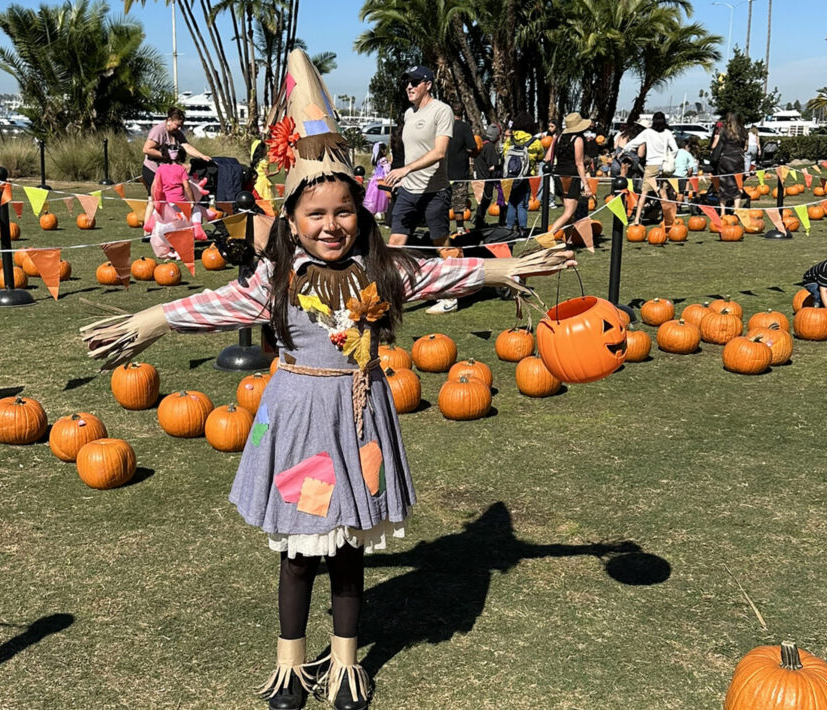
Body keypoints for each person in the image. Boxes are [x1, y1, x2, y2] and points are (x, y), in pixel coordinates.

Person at [80, 50, 575, 710]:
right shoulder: (275, 280)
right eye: (316, 216)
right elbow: (216, 305)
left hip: (359, 418)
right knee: (298, 552)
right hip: (298, 418)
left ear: (361, 215)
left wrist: (505, 267)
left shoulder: (383, 271)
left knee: (347, 551)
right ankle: (290, 664)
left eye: (344, 212)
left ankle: (345, 662)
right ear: (291, 221)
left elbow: (440, 274)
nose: (331, 225)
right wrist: (153, 316)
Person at [382, 65, 458, 315]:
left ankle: (452, 294)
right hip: (409, 190)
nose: (409, 87)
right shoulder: (408, 114)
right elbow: (406, 151)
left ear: (428, 84)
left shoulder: (442, 110)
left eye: (415, 82)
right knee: (394, 243)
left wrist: (407, 170)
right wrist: (397, 172)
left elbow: (439, 153)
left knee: (442, 246)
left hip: (435, 191)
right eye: (406, 82)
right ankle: (391, 295)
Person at [142, 146, 208, 259]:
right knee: (191, 218)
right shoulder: (181, 169)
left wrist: (155, 200)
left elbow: (154, 186)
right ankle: (193, 234)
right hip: (180, 206)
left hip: (166, 206)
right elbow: (187, 187)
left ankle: (165, 251)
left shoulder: (161, 169)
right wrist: (192, 201)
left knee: (161, 228)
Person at [622, 112, 678, 226]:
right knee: (663, 193)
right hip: (664, 166)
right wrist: (669, 158)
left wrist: (624, 150)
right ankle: (668, 220)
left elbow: (634, 143)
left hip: (651, 165)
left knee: (644, 193)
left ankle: (637, 219)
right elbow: (675, 149)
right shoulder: (667, 133)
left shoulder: (648, 132)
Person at [545, 112, 594, 239]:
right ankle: (547, 237)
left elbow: (547, 157)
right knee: (569, 212)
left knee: (569, 213)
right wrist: (587, 186)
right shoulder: (577, 139)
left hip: (558, 175)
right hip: (571, 177)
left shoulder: (558, 137)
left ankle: (568, 240)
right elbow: (579, 163)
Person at [141, 107, 211, 192]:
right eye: (177, 125)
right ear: (169, 120)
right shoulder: (159, 131)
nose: (179, 128)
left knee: (168, 198)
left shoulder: (177, 133)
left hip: (166, 171)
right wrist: (166, 156)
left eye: (181, 126)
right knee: (156, 200)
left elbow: (186, 146)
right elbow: (146, 149)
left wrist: (202, 156)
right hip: (152, 170)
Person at [501, 110, 544, 237]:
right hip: (525, 176)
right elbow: (541, 156)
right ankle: (523, 229)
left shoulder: (510, 139)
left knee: (511, 202)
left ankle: (509, 227)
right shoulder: (534, 141)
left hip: (510, 176)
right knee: (522, 205)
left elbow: (504, 153)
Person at [446, 109, 478, 233]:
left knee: (443, 202)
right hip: (460, 170)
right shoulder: (464, 127)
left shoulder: (443, 125)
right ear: (462, 113)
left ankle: (444, 228)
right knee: (459, 202)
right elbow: (472, 147)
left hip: (443, 170)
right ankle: (460, 227)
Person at [709, 112, 748, 215]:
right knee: (737, 185)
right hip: (738, 160)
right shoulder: (743, 131)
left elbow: (717, 146)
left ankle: (722, 212)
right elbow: (745, 148)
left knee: (723, 185)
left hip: (725, 159)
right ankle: (736, 210)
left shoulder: (724, 131)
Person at [474, 124, 503, 228]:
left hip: (478, 177)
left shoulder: (480, 143)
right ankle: (479, 220)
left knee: (480, 201)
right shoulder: (489, 146)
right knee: (485, 200)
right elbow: (492, 166)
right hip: (486, 178)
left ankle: (479, 220)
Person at [362, 142, 390, 220]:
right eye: (384, 149)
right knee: (385, 201)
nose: (386, 151)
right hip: (382, 181)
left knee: (374, 201)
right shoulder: (384, 160)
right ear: (381, 150)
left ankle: (370, 218)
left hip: (375, 181)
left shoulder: (376, 160)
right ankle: (387, 219)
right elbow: (387, 170)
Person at [671, 138, 697, 211]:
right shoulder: (687, 154)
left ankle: (672, 206)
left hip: (672, 174)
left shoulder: (673, 152)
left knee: (672, 191)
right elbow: (691, 168)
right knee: (680, 192)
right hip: (682, 175)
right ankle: (678, 207)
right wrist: (689, 174)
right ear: (685, 146)